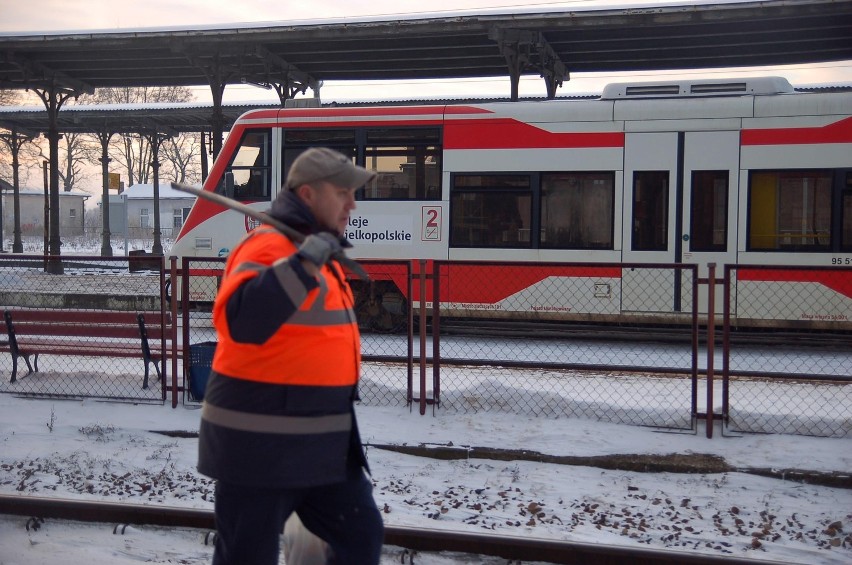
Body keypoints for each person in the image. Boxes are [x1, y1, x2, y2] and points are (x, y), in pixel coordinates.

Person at [197, 147, 384, 565]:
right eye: (343, 192)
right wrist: (303, 263)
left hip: (321, 444)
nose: (352, 204)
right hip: (259, 446)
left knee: (361, 535)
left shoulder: (316, 251)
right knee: (246, 557)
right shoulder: (269, 246)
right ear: (309, 194)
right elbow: (241, 321)